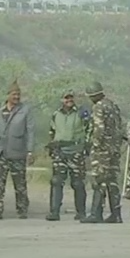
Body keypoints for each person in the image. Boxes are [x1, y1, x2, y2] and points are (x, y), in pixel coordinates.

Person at [0, 80, 36, 220]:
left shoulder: (25, 110)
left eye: (18, 95)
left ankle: (22, 209)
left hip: (17, 152)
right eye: (14, 94)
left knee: (20, 184)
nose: (17, 97)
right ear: (8, 95)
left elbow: (30, 131)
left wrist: (30, 151)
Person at [81, 81, 124, 224]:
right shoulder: (113, 106)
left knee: (99, 181)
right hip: (114, 149)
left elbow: (99, 129)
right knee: (112, 181)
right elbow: (119, 128)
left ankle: (96, 213)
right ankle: (116, 214)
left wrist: (95, 145)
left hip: (102, 151)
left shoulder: (98, 107)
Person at [45, 89, 90, 221]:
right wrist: (52, 145)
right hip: (60, 151)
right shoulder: (56, 114)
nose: (69, 100)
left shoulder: (81, 112)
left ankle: (81, 212)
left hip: (76, 151)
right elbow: (51, 131)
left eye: (71, 98)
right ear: (62, 100)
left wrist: (86, 146)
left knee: (78, 183)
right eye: (66, 98)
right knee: (56, 181)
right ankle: (54, 212)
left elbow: (89, 128)